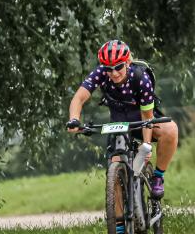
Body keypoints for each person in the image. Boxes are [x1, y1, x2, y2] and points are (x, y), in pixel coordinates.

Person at [66, 39, 179, 204]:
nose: (114, 73)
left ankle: (158, 177)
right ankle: (119, 220)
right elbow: (79, 97)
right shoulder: (101, 73)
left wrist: (146, 145)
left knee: (171, 130)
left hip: (143, 120)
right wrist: (74, 119)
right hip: (118, 123)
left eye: (118, 67)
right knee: (115, 177)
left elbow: (147, 116)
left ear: (127, 62)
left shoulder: (141, 78)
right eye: (108, 68)